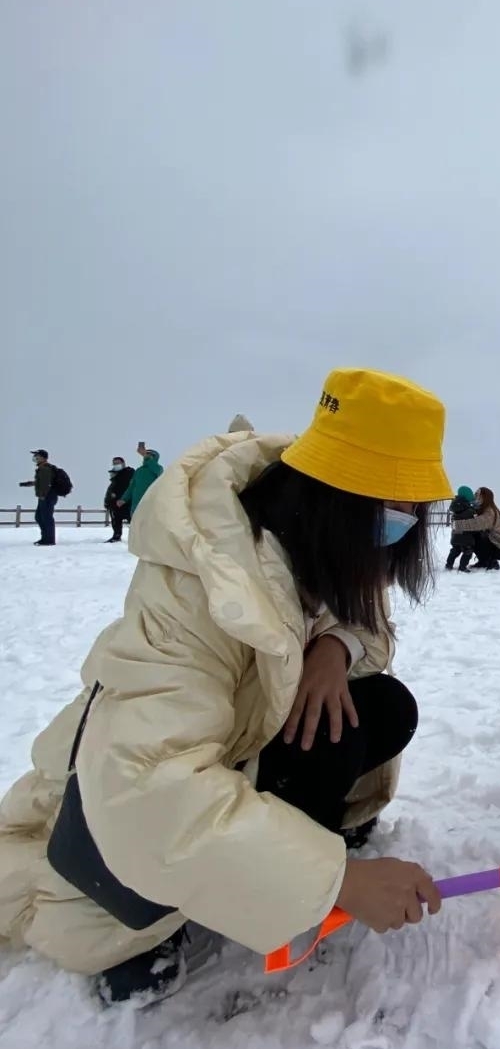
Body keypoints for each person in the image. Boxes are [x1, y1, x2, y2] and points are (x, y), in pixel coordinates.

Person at [0, 369, 451, 1007]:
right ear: (337, 496)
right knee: (128, 879)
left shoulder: (311, 546)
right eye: (393, 507)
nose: (404, 525)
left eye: (413, 509)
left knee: (380, 705)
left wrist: (332, 648)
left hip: (235, 756)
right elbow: (147, 784)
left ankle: (279, 864)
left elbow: (372, 632)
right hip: (116, 816)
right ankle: (151, 924)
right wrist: (339, 882)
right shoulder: (198, 587)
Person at [452, 486, 500, 570]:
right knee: (474, 535)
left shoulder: (490, 511)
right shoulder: (482, 509)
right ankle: (484, 561)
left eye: (477, 495)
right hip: (494, 543)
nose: (474, 496)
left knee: (476, 536)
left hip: (499, 547)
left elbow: (476, 524)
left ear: (484, 497)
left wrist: (456, 525)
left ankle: (491, 562)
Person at [19, 450, 57, 547]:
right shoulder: (42, 468)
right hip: (45, 496)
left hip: (47, 497)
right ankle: (45, 538)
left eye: (37, 456)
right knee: (40, 517)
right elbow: (41, 482)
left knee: (46, 518)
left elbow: (46, 484)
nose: (35, 457)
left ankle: (49, 539)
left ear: (43, 458)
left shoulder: (45, 469)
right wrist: (29, 484)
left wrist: (43, 495)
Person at [120, 445, 164, 516]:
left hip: (150, 504)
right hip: (136, 504)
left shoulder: (158, 468)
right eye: (147, 454)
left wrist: (148, 459)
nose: (147, 456)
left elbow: (158, 472)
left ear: (155, 457)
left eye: (150, 455)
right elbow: (132, 486)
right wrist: (124, 499)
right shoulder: (139, 470)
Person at [445, 485, 478, 571]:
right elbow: (473, 519)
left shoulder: (456, 507)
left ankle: (449, 565)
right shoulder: (469, 509)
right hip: (466, 535)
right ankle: (462, 567)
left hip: (456, 533)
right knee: (468, 552)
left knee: (455, 550)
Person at [104, 457, 135, 543]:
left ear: (123, 463)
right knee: (116, 521)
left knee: (133, 521)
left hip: (128, 502)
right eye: (114, 463)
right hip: (115, 504)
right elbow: (112, 489)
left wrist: (122, 498)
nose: (116, 465)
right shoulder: (115, 474)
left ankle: (137, 538)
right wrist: (108, 501)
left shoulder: (129, 473)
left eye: (117, 463)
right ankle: (116, 536)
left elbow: (129, 487)